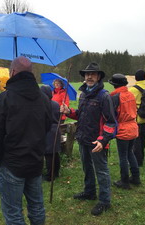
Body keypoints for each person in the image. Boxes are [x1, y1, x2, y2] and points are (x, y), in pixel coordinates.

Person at [0, 56, 52, 225]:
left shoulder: (2, 100)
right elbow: (47, 127)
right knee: (37, 207)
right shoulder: (44, 99)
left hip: (11, 165)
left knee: (13, 212)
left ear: (12, 72)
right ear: (31, 73)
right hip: (35, 161)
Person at [60, 62, 117, 216]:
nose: (89, 77)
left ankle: (105, 201)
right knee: (86, 168)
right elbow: (81, 114)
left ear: (98, 77)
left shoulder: (103, 96)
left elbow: (111, 121)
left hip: (97, 142)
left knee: (102, 171)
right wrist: (69, 111)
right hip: (83, 138)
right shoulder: (84, 94)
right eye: (87, 74)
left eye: (93, 74)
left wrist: (103, 140)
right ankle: (89, 191)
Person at [109, 74, 140, 189]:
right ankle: (136, 178)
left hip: (123, 129)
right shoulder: (130, 94)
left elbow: (111, 114)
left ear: (114, 85)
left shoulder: (115, 97)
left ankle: (124, 181)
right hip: (133, 127)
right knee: (130, 153)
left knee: (123, 156)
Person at [128, 69, 145, 167]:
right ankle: (142, 156)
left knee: (136, 141)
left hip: (137, 118)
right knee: (143, 138)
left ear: (135, 78)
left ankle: (138, 161)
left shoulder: (133, 89)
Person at [40, 85, 61, 182]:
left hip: (48, 130)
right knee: (55, 153)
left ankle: (50, 176)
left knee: (48, 154)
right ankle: (56, 172)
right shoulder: (56, 104)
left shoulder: (42, 105)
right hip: (56, 130)